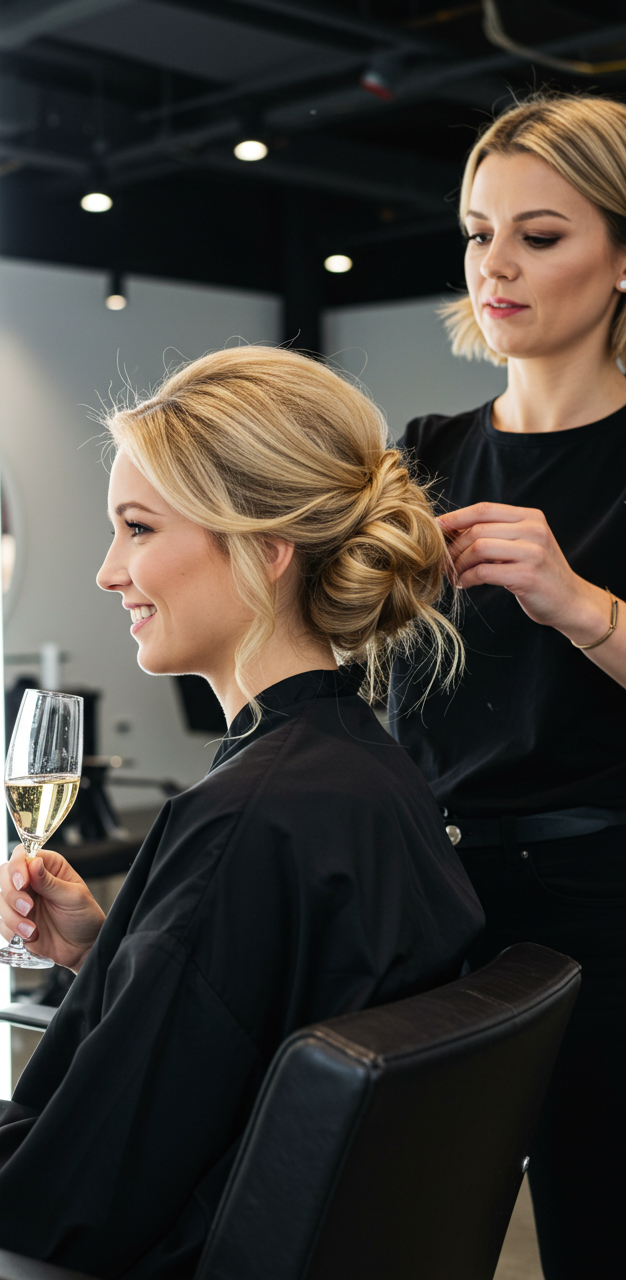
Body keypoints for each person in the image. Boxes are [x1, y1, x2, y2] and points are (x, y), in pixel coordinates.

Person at [0, 347, 483, 1280]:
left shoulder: (243, 819)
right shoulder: (368, 773)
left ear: (266, 547)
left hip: (138, 1254)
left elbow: (72, 1210)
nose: (106, 571)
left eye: (136, 528)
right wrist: (115, 949)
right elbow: (250, 1022)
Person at [389, 92, 626, 1280]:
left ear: (621, 254)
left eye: (539, 235)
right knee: (391, 1225)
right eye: (479, 232)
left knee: (601, 1225)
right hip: (426, 895)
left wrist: (577, 601)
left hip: (604, 908)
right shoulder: (419, 455)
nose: (496, 264)